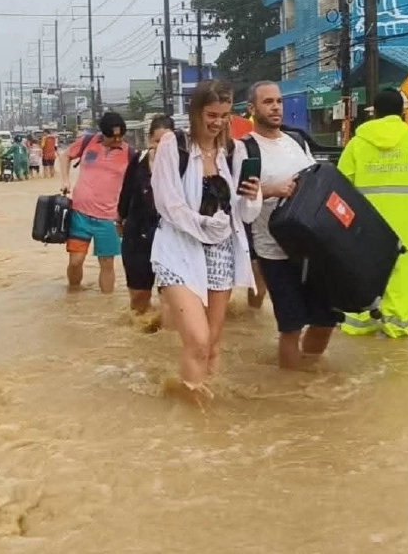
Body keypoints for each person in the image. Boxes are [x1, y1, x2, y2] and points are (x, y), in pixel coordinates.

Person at [150, 80, 262, 402]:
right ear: (196, 112)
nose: (217, 123)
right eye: (211, 114)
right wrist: (203, 225)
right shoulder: (174, 146)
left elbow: (244, 213)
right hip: (178, 250)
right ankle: (186, 412)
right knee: (197, 340)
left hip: (222, 250)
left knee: (211, 344)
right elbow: (168, 204)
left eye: (224, 115)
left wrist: (252, 198)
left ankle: (205, 416)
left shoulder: (234, 151)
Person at [337, 88, 408, 338]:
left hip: (364, 233)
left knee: (363, 282)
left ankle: (359, 329)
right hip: (406, 234)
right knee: (401, 289)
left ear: (374, 112)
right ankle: (395, 333)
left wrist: (339, 232)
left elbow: (339, 188)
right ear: (403, 112)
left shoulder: (357, 144)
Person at [244, 81, 337, 369]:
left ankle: (308, 375)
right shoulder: (244, 149)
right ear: (252, 108)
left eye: (279, 101)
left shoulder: (297, 141)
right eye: (268, 102)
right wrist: (272, 190)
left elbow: (316, 181)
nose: (275, 107)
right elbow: (237, 202)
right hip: (274, 252)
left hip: (311, 246)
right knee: (291, 326)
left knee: (326, 320)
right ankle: (290, 389)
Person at [59, 112, 134, 293]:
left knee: (107, 263)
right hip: (79, 213)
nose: (117, 139)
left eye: (120, 135)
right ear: (102, 133)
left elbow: (135, 184)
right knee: (75, 261)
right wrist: (65, 180)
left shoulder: (130, 154)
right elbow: (65, 156)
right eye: (112, 136)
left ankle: (106, 305)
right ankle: (73, 294)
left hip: (108, 219)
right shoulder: (87, 142)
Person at [116, 115, 174, 313]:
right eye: (157, 141)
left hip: (171, 238)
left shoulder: (184, 164)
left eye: (167, 142)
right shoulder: (138, 161)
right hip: (138, 236)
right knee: (139, 298)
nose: (161, 146)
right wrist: (119, 218)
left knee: (170, 297)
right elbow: (126, 192)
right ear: (150, 139)